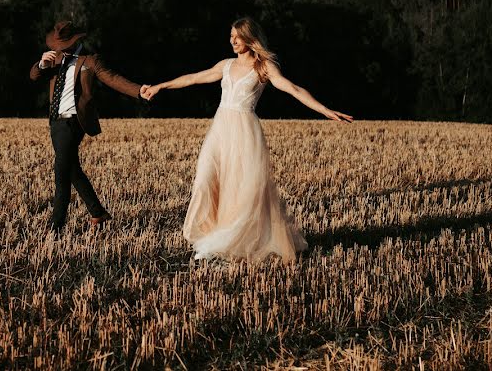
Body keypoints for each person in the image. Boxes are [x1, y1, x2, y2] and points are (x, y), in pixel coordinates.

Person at [143, 17, 352, 261]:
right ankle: (207, 234)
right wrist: (160, 86)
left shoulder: (263, 67)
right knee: (204, 181)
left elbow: (293, 89)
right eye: (230, 36)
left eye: (237, 36)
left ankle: (233, 240)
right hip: (220, 130)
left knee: (242, 192)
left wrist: (324, 110)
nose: (232, 41)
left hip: (245, 133)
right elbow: (193, 78)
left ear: (249, 38)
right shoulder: (226, 65)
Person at [30, 21, 149, 233]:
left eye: (64, 46)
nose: (60, 50)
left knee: (61, 174)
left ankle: (55, 228)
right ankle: (98, 212)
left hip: (75, 121)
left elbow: (113, 79)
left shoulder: (90, 60)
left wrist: (139, 90)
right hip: (56, 121)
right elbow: (34, 77)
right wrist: (41, 64)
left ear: (74, 42)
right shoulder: (54, 58)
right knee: (72, 169)